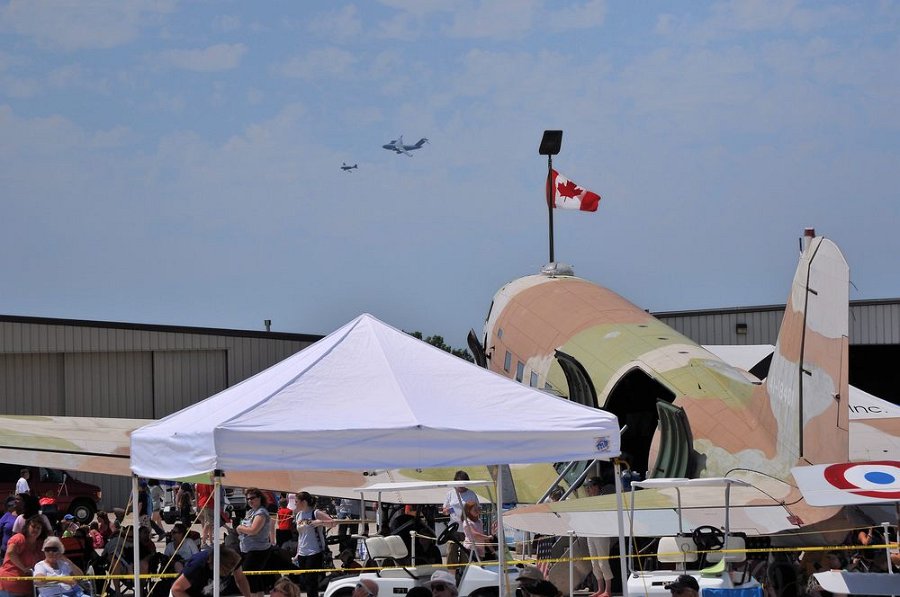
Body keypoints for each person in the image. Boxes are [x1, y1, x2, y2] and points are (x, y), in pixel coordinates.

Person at [235, 487, 275, 597]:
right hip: (248, 549)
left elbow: (253, 530)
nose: (250, 500)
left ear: (260, 498)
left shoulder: (261, 512)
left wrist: (240, 528)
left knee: (249, 579)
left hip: (257, 550)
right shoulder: (251, 512)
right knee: (256, 580)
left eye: (252, 498)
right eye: (248, 499)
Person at [293, 491, 335, 597]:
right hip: (302, 552)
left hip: (314, 551)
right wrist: (297, 553)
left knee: (311, 582)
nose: (295, 504)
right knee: (305, 582)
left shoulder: (315, 513)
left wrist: (320, 522)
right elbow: (300, 536)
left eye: (296, 501)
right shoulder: (299, 515)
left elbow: (333, 522)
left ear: (304, 502)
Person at [170, 546, 251, 597]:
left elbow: (240, 579)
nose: (231, 572)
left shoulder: (232, 558)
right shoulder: (197, 565)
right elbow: (176, 589)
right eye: (227, 570)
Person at [0, 514, 49, 597]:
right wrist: (24, 569)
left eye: (39, 528)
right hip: (9, 584)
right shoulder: (19, 538)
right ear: (27, 527)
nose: (36, 529)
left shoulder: (39, 545)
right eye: (33, 526)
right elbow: (11, 552)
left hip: (27, 588)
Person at [582, 477, 614, 597]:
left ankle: (608, 590)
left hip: (601, 533)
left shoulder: (603, 500)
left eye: (589, 487)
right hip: (591, 533)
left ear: (596, 487)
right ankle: (600, 589)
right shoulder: (588, 501)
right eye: (587, 488)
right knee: (594, 563)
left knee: (603, 562)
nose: (588, 490)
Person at [442, 471, 478, 566]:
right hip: (453, 529)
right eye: (459, 482)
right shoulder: (450, 494)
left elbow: (478, 511)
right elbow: (444, 511)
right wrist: (449, 510)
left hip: (467, 529)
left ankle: (464, 575)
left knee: (465, 555)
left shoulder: (471, 494)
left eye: (464, 483)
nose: (461, 485)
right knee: (451, 553)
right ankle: (452, 576)